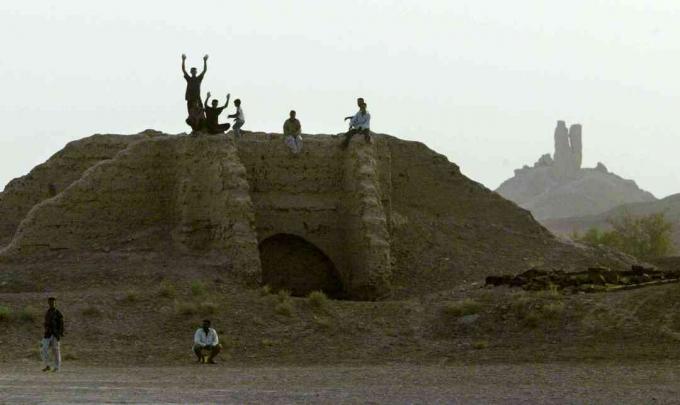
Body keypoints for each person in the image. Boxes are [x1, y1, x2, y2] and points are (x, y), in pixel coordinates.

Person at [41, 297, 64, 372]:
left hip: (55, 334)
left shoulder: (58, 312)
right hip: (47, 334)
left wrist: (60, 333)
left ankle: (57, 367)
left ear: (55, 303)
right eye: (50, 302)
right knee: (44, 349)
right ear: (48, 303)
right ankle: (47, 365)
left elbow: (61, 324)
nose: (52, 304)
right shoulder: (47, 312)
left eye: (53, 302)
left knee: (56, 351)